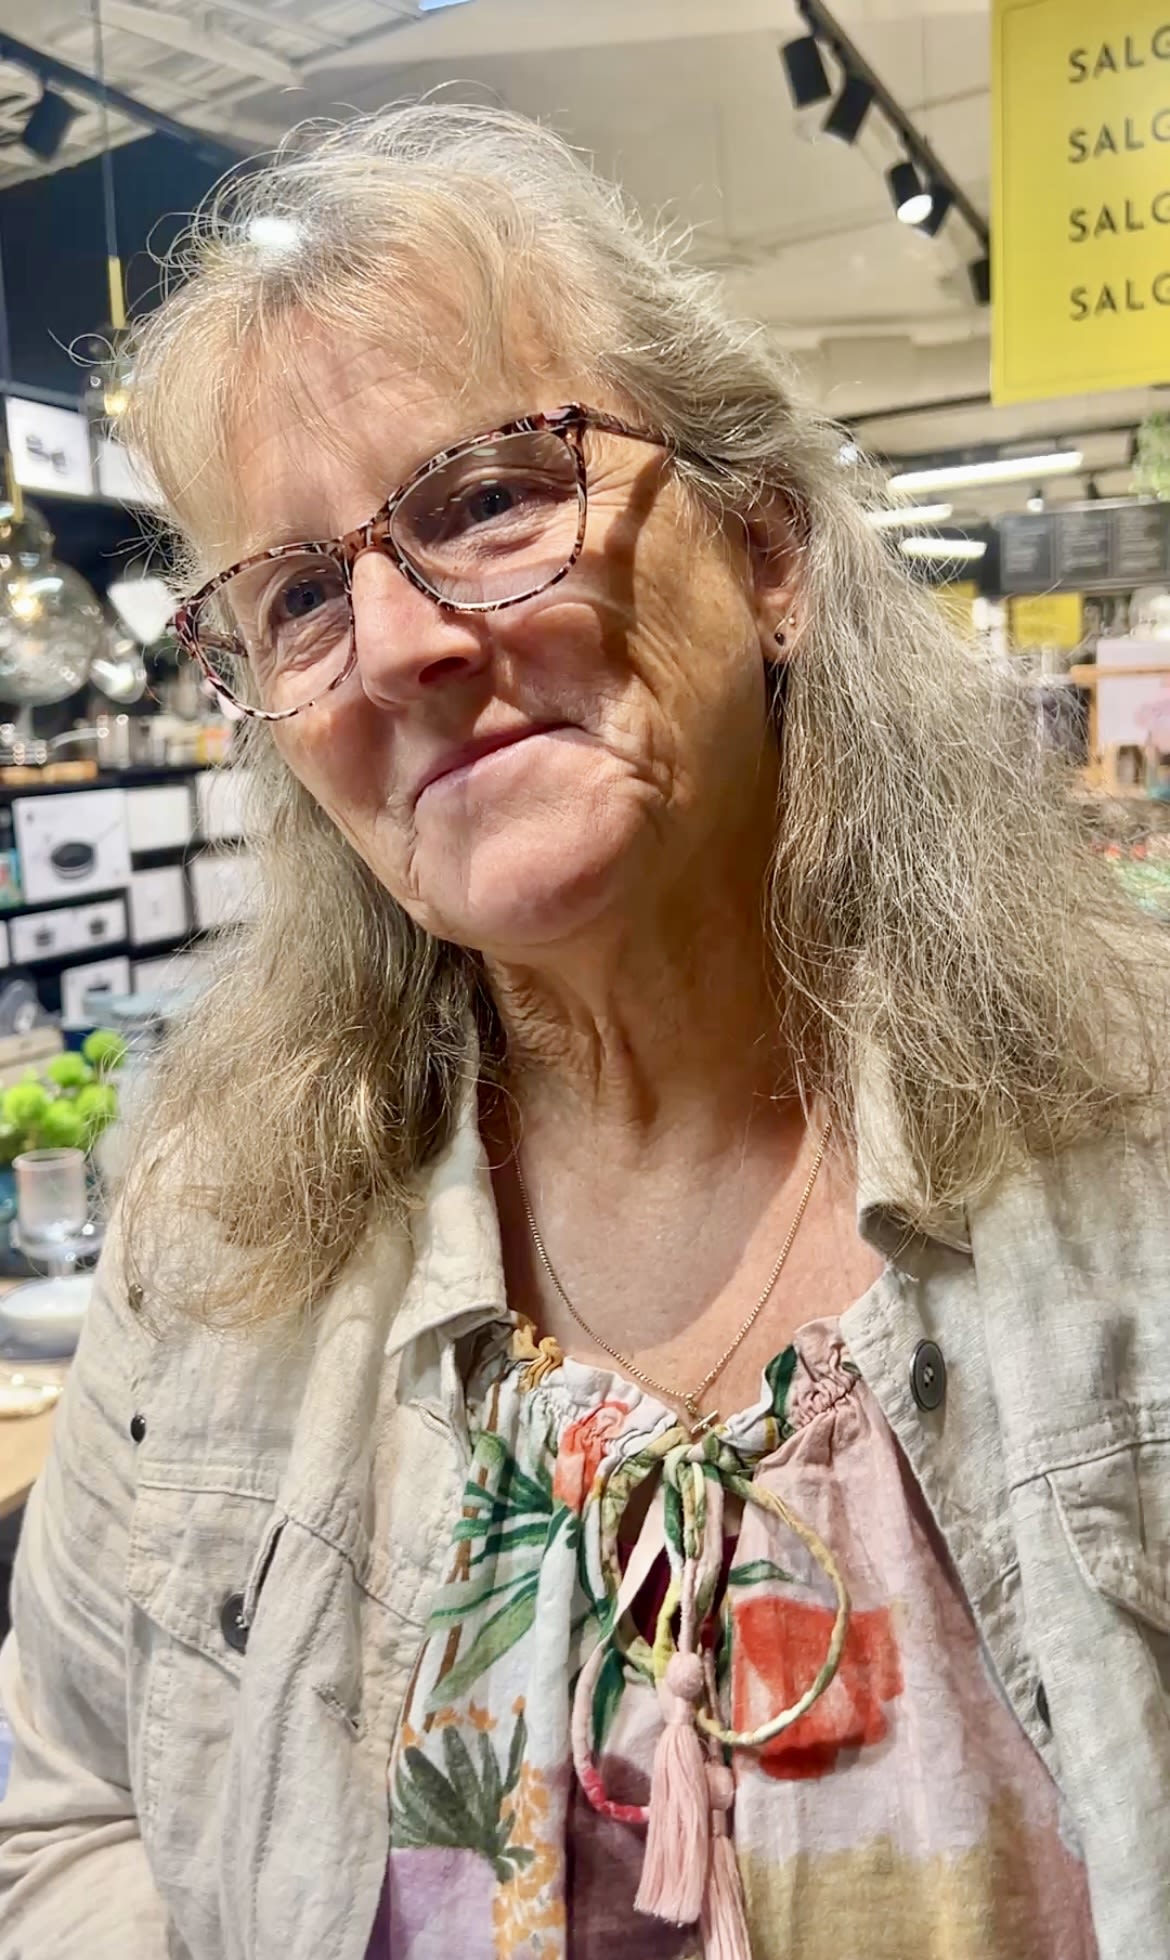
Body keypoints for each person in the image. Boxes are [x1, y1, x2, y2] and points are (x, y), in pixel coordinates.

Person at [1, 103, 1168, 1960]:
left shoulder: (1132, 1139)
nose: (401, 644)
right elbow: (63, 1812)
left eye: (484, 501)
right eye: (298, 595)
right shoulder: (221, 1238)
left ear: (766, 548)